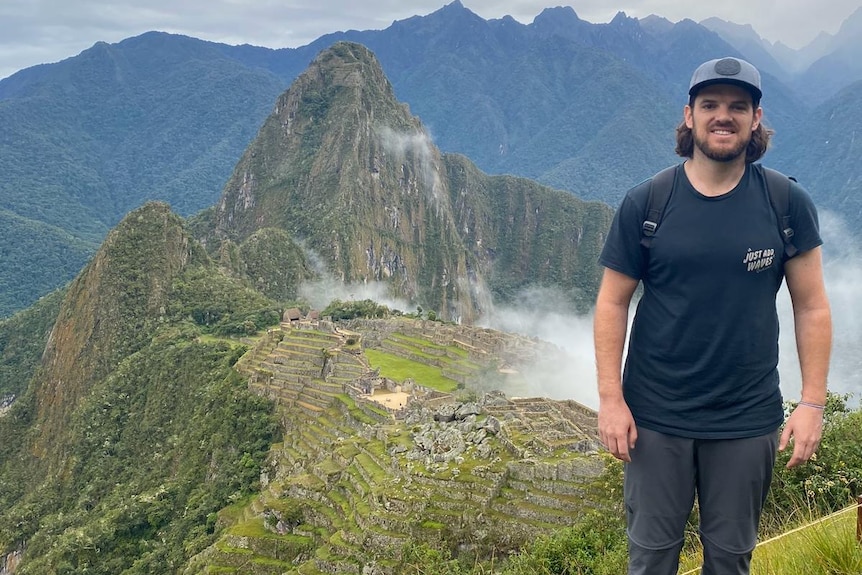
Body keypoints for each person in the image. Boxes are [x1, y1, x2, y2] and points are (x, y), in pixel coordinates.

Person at [593, 56, 832, 575]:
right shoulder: (648, 203)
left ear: (755, 119)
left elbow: (811, 305)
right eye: (710, 105)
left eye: (737, 106)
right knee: (652, 559)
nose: (723, 116)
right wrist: (611, 400)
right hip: (655, 417)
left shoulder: (785, 203)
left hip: (746, 419)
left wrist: (813, 402)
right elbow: (612, 301)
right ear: (689, 116)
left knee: (730, 560)